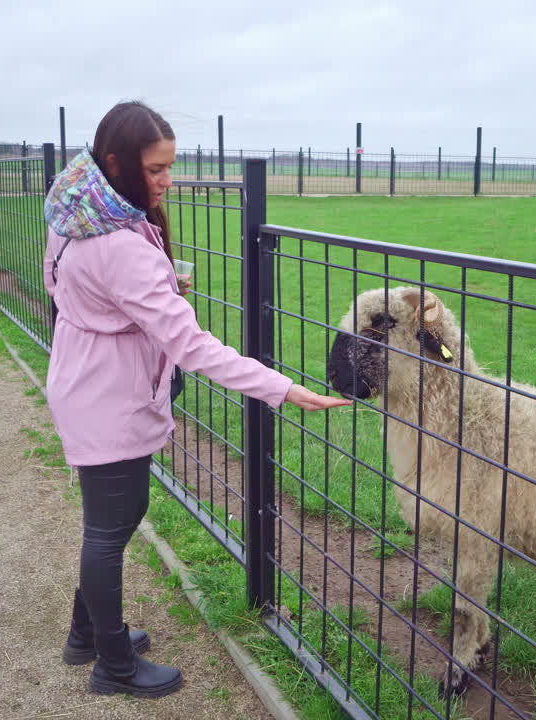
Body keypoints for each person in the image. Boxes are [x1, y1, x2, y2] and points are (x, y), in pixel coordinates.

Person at [41, 101, 349, 699]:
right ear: (115, 162)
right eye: (156, 169)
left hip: (87, 379)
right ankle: (112, 666)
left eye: (169, 167)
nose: (166, 181)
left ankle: (91, 635)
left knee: (115, 520)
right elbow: (190, 344)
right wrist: (281, 387)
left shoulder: (75, 210)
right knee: (109, 529)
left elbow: (68, 284)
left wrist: (143, 296)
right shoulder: (121, 245)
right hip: (109, 398)